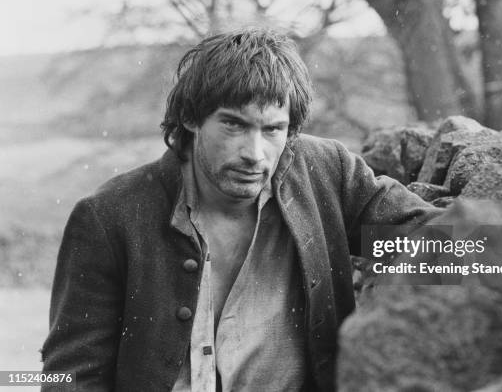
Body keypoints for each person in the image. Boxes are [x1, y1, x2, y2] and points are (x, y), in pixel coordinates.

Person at [41, 28, 441, 391]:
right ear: (191, 118)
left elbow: (442, 248)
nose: (254, 153)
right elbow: (69, 377)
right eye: (233, 125)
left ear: (292, 130)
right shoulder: (110, 217)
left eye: (272, 130)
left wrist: (500, 274)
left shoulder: (327, 175)